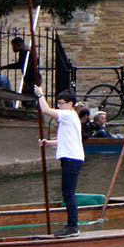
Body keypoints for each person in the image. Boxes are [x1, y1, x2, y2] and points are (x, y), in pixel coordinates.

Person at [33, 86, 85, 236]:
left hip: (72, 159)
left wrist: (40, 94)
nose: (59, 106)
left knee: (68, 194)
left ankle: (73, 227)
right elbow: (67, 139)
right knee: (67, 193)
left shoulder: (69, 114)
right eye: (58, 104)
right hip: (70, 158)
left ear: (70, 103)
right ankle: (72, 225)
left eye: (61, 103)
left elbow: (45, 110)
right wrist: (49, 143)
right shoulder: (70, 118)